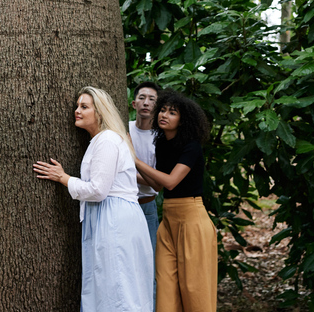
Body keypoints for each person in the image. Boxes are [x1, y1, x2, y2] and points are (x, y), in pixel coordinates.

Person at [33, 86, 153, 312]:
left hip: (114, 219)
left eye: (84, 107)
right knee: (111, 284)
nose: (77, 111)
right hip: (109, 216)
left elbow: (98, 190)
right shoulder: (101, 140)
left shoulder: (107, 139)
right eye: (77, 106)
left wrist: (64, 178)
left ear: (99, 112)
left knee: (117, 286)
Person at [134, 90, 217, 312]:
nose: (164, 115)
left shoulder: (192, 147)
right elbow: (157, 185)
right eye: (162, 110)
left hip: (192, 221)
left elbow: (170, 181)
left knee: (194, 289)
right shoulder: (162, 144)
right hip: (169, 221)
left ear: (183, 119)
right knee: (166, 288)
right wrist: (125, 171)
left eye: (172, 112)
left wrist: (135, 160)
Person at [129, 81, 160, 310]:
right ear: (133, 103)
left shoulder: (160, 138)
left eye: (152, 99)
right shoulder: (124, 129)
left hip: (147, 206)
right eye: (142, 97)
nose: (146, 102)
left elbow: (158, 184)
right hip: (122, 205)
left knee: (149, 265)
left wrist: (128, 170)